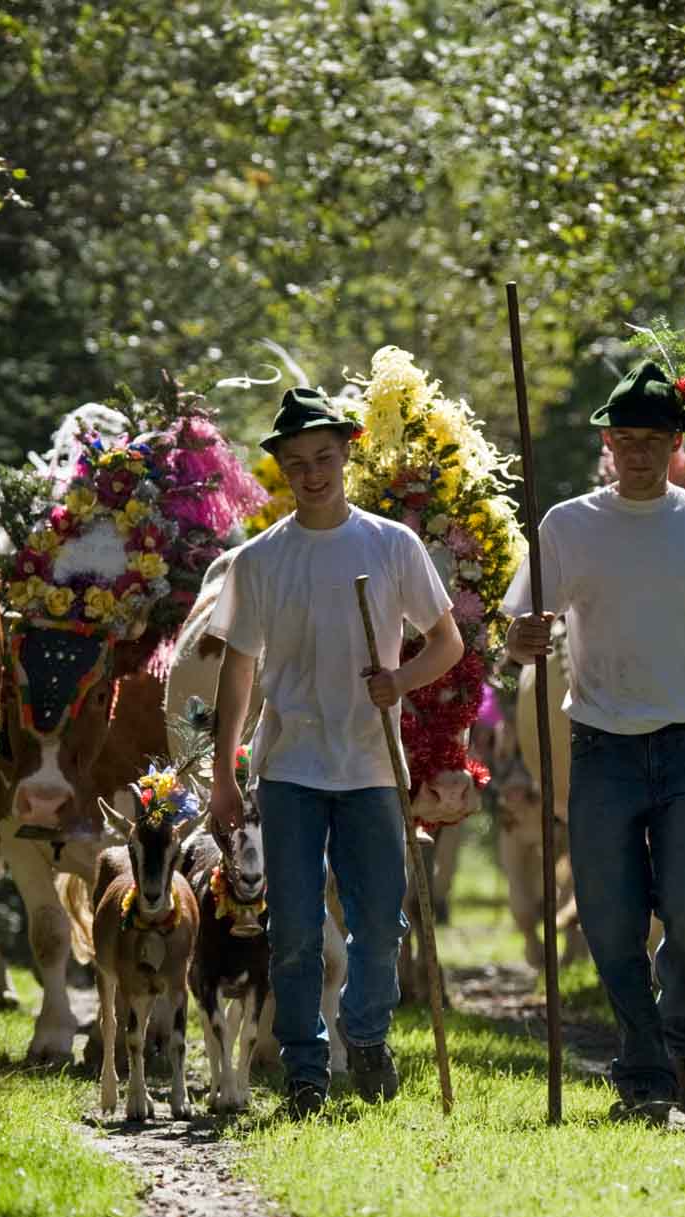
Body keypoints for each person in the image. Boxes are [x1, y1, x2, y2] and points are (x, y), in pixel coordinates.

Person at [506, 359, 685, 1124]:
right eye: (623, 438)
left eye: (652, 439)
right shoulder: (567, 525)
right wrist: (523, 636)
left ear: (677, 442)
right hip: (600, 745)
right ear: (607, 445)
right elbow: (525, 632)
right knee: (610, 920)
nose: (637, 453)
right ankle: (644, 1066)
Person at [209, 386, 464, 1118]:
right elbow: (238, 668)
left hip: (372, 765)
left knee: (380, 919)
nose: (312, 473)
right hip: (289, 764)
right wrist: (226, 774)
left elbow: (445, 642)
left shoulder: (391, 545)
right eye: (296, 462)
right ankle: (306, 1067)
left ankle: (368, 1034)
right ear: (281, 469)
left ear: (346, 453)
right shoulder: (260, 560)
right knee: (291, 926)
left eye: (323, 457)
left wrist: (400, 680)